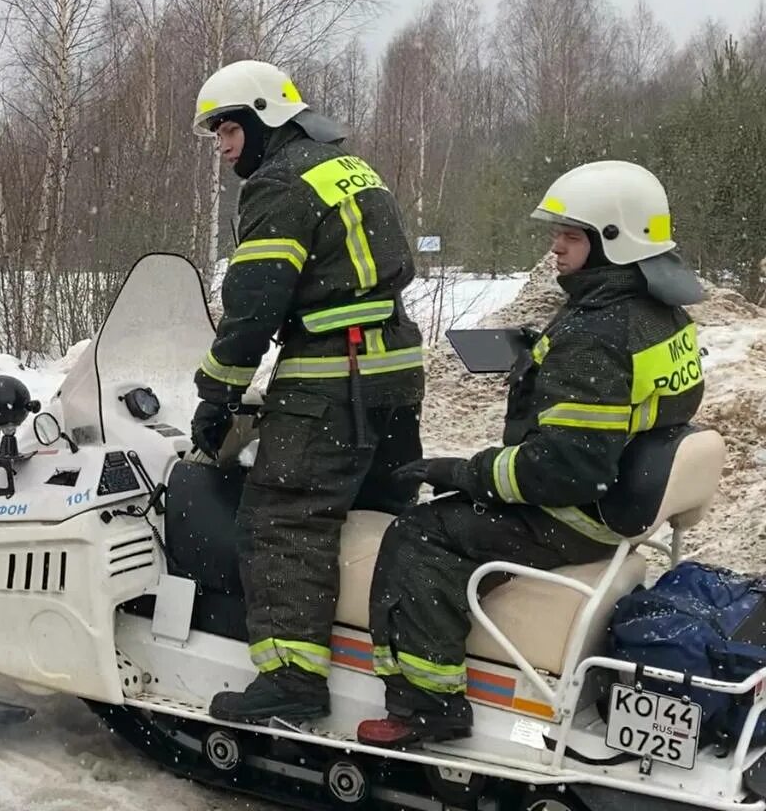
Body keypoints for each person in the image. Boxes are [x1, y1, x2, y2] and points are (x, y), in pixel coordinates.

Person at [357, 160, 706, 748]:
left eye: (570, 237)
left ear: (612, 243)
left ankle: (426, 706)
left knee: (420, 534)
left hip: (578, 510)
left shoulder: (596, 332)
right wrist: (546, 362)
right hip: (621, 500)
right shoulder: (657, 313)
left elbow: (565, 468)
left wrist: (463, 473)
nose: (555, 248)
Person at [189, 59, 425, 723]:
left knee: (283, 519)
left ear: (265, 119)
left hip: (333, 379)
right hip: (393, 372)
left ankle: (292, 680)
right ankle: (387, 669)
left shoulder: (279, 183)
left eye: (228, 130)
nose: (223, 147)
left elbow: (253, 309)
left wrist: (218, 394)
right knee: (375, 518)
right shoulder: (346, 167)